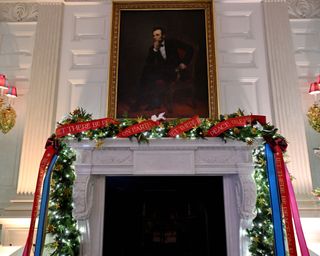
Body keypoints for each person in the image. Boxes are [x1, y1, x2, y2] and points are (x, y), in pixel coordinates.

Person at [139, 27, 194, 112]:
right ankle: (148, 102)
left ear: (163, 36)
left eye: (157, 35)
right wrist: (155, 50)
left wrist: (184, 63)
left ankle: (155, 102)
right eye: (153, 36)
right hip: (163, 72)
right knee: (146, 71)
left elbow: (190, 48)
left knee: (149, 73)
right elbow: (149, 62)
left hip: (176, 70)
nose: (155, 37)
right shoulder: (152, 48)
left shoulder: (172, 42)